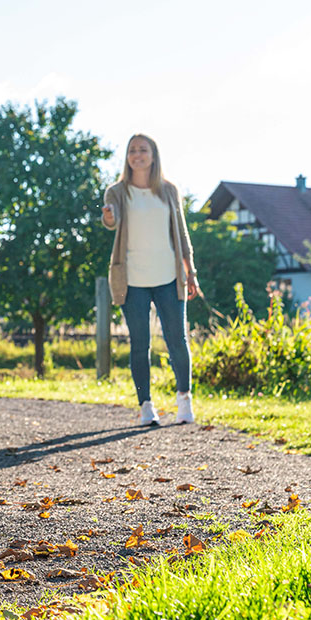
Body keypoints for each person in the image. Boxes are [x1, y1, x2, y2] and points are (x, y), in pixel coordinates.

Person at [101, 134, 201, 427]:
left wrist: (190, 272)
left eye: (143, 150)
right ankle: (146, 406)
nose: (137, 155)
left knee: (177, 341)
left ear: (153, 155)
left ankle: (184, 401)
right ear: (127, 157)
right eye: (132, 151)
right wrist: (108, 216)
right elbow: (112, 220)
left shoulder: (169, 191)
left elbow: (182, 234)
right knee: (139, 343)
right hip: (132, 278)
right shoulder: (117, 192)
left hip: (169, 277)